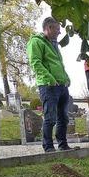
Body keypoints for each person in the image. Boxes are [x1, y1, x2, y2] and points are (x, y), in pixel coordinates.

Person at [26, 16, 74, 152]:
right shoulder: (36, 42)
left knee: (63, 118)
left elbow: (59, 65)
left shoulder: (54, 44)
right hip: (49, 86)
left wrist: (66, 78)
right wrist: (51, 79)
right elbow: (35, 63)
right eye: (57, 29)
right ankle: (48, 146)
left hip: (62, 86)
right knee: (50, 117)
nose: (59, 32)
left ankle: (63, 144)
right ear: (49, 28)